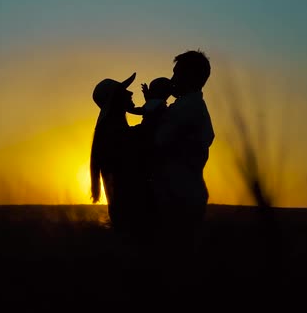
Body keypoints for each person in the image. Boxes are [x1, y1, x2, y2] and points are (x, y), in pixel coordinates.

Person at [151, 50, 215, 285]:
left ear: (189, 76)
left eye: (176, 73)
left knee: (174, 271)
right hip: (184, 194)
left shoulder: (186, 109)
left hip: (178, 198)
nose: (172, 79)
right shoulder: (190, 107)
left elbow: (156, 143)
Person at [90, 73, 155, 237]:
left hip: (126, 216)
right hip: (133, 216)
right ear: (116, 100)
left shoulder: (108, 129)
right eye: (124, 91)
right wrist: (153, 106)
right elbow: (140, 140)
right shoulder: (114, 131)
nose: (131, 93)